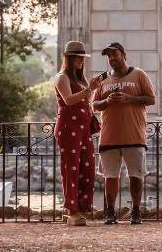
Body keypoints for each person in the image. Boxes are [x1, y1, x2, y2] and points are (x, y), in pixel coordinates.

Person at [92, 42, 156, 225]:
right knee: (110, 177)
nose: (112, 58)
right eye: (109, 56)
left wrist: (129, 99)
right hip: (109, 136)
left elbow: (151, 99)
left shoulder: (139, 74)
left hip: (134, 135)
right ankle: (110, 212)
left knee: (136, 175)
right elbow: (94, 105)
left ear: (124, 55)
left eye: (115, 54)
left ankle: (136, 211)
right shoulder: (102, 79)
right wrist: (107, 101)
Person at [53, 40, 104, 226]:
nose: (81, 60)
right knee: (71, 169)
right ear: (69, 58)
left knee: (87, 168)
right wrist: (90, 89)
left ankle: (77, 208)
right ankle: (72, 210)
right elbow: (68, 100)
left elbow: (84, 101)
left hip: (83, 130)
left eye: (82, 57)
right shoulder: (61, 77)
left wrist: (92, 89)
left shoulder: (79, 78)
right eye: (78, 57)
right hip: (68, 130)